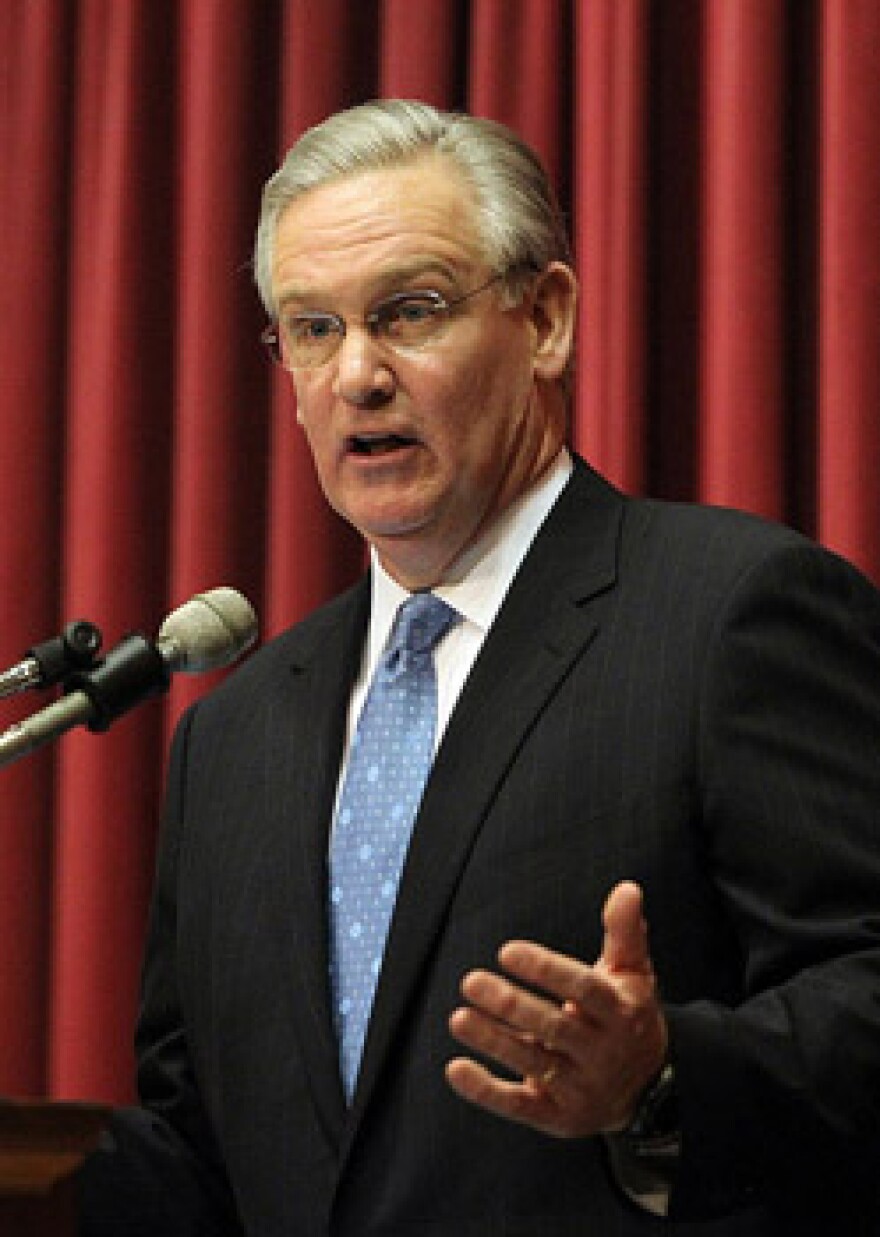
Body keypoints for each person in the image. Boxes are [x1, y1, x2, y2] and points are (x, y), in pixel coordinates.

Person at [79, 99, 880, 1236]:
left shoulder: (728, 614)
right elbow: (192, 1133)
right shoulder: (236, 734)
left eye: (408, 311)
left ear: (545, 318)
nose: (355, 373)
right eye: (311, 328)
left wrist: (659, 1079)